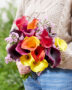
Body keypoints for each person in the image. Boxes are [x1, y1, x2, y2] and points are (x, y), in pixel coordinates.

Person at [9, 0, 72, 90]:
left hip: (61, 74)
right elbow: (15, 31)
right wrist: (19, 60)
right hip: (30, 75)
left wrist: (54, 55)